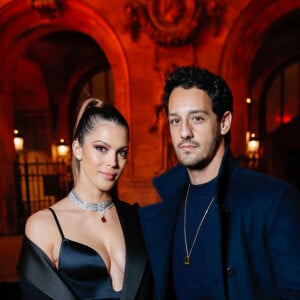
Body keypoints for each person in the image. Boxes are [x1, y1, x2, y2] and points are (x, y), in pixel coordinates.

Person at [140, 66, 300, 300]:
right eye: (175, 121)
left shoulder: (273, 200)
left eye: (197, 118)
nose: (184, 132)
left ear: (224, 122)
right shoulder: (164, 209)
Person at [17, 98, 156, 300]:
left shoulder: (135, 218)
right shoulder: (43, 226)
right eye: (101, 148)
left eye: (122, 152)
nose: (113, 162)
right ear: (77, 149)